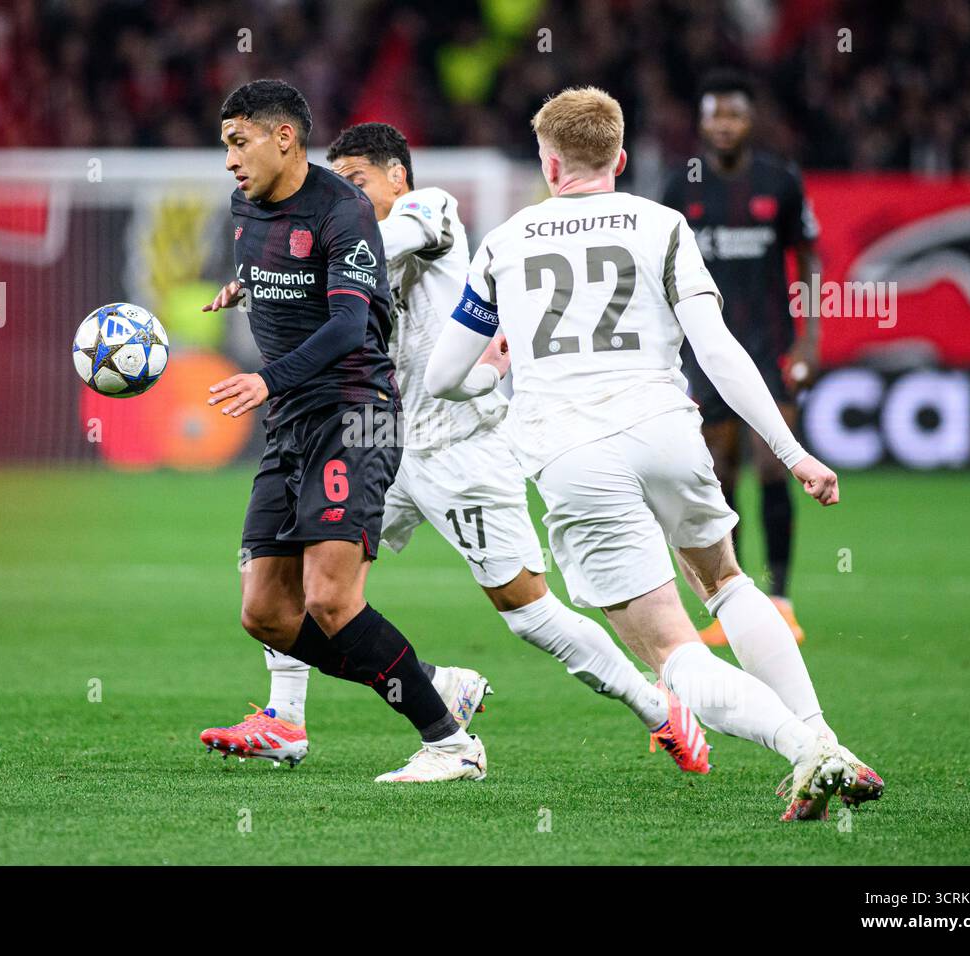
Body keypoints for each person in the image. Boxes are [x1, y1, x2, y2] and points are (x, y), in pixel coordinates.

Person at [424, 87, 883, 819]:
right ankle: (829, 741)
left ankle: (808, 750)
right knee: (729, 582)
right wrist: (793, 451)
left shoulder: (504, 243)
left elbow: (442, 377)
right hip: (669, 429)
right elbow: (719, 350)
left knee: (673, 652)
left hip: (574, 454)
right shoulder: (662, 223)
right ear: (622, 158)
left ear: (548, 163)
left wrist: (499, 370)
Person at [201, 121, 710, 776]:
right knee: (303, 579)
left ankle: (658, 706)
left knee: (527, 613)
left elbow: (378, 244)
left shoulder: (428, 210)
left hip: (456, 445)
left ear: (397, 178)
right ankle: (287, 719)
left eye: (357, 183)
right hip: (371, 437)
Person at [201, 79, 484, 783]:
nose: (231, 160)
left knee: (330, 599)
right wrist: (246, 285)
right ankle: (430, 681)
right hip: (291, 422)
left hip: (351, 412)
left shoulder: (344, 208)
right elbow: (280, 267)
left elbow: (350, 323)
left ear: (284, 138)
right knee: (266, 612)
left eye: (240, 142)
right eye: (226, 145)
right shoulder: (245, 208)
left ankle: (450, 743)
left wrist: (267, 378)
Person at [661, 69, 824, 644]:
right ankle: (737, 601)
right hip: (703, 352)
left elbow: (808, 255)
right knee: (718, 469)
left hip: (768, 345)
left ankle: (781, 598)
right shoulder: (680, 186)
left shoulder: (779, 180)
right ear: (701, 122)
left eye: (733, 114)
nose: (723, 125)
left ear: (749, 119)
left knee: (774, 462)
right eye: (714, 115)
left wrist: (809, 341)